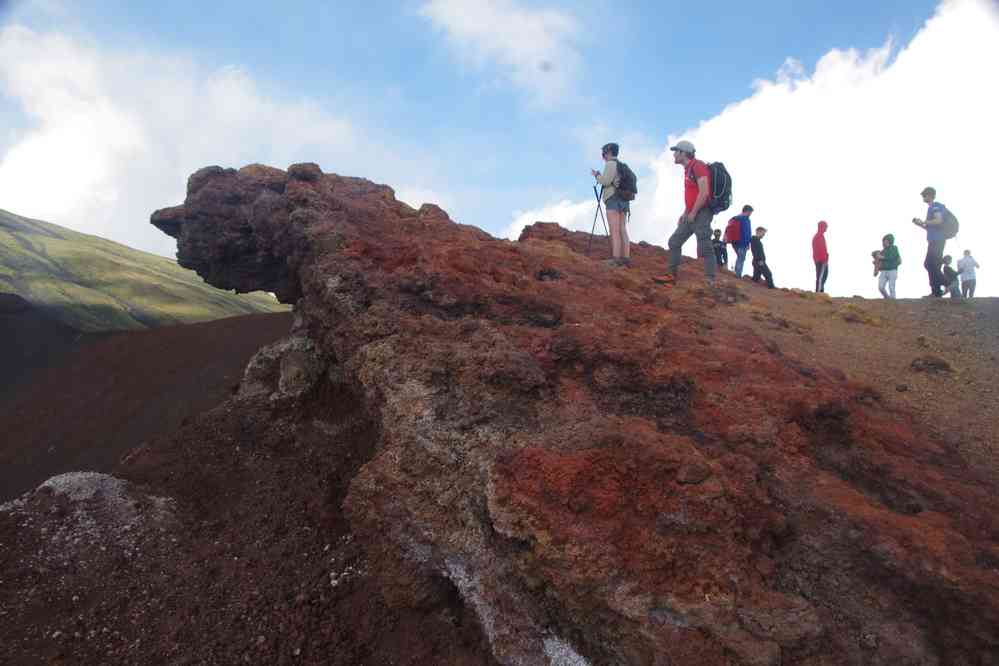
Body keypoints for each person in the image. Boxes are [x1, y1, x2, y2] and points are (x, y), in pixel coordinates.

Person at [654, 140, 715, 286]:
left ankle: (710, 280)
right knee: (674, 241)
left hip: (701, 213)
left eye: (676, 152)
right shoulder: (688, 169)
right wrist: (685, 212)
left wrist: (693, 212)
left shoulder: (698, 166)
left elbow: (704, 192)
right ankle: (671, 276)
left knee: (704, 245)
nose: (674, 155)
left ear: (683, 153)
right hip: (692, 213)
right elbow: (693, 194)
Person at [591, 143, 630, 267]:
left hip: (613, 199)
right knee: (622, 229)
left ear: (608, 153)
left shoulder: (610, 164)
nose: (603, 156)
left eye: (604, 153)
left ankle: (616, 259)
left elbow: (606, 181)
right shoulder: (622, 166)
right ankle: (626, 259)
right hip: (624, 200)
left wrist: (597, 175)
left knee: (614, 229)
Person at [911, 186, 947, 297]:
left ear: (930, 195)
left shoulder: (935, 206)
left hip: (938, 239)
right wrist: (920, 224)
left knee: (930, 264)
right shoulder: (931, 207)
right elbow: (930, 227)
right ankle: (936, 291)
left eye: (924, 195)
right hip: (934, 239)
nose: (923, 196)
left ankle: (948, 283)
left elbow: (938, 220)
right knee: (931, 265)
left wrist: (924, 221)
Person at [725, 205, 754, 278]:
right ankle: (738, 274)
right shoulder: (745, 219)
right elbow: (747, 232)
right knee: (741, 258)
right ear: (747, 211)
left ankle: (737, 273)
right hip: (742, 242)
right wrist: (748, 243)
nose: (751, 214)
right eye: (750, 212)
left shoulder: (735, 218)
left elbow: (727, 229)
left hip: (734, 241)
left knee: (740, 257)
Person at [875, 234, 901, 299]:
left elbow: (892, 257)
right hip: (883, 271)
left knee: (891, 287)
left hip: (892, 270)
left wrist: (882, 257)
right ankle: (887, 298)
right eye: (883, 241)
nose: (884, 242)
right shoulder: (882, 251)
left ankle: (893, 300)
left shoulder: (894, 248)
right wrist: (876, 268)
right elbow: (878, 262)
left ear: (890, 241)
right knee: (880, 287)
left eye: (885, 240)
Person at [812, 220, 829, 293]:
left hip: (822, 260)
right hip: (821, 261)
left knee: (823, 276)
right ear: (822, 227)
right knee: (820, 277)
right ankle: (818, 292)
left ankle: (820, 291)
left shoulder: (820, 236)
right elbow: (818, 249)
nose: (826, 228)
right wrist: (823, 259)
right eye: (825, 226)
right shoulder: (818, 236)